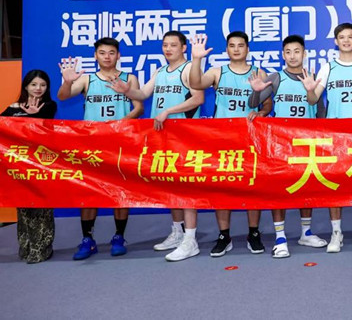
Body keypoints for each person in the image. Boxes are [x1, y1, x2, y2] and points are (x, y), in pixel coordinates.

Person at [111, 30, 205, 261]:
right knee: (171, 185)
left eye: (173, 45)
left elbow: (198, 98)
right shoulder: (161, 71)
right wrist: (127, 90)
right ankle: (177, 232)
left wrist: (168, 111)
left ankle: (190, 239)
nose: (168, 49)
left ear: (183, 48)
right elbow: (143, 93)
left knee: (186, 187)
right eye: (165, 45)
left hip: (184, 136)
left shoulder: (188, 70)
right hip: (162, 136)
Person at [57, 38, 144, 259]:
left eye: (111, 52)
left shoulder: (129, 78)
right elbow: (63, 96)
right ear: (95, 55)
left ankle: (119, 236)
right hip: (92, 145)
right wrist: (67, 81)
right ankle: (87, 239)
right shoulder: (87, 79)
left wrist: (119, 124)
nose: (107, 56)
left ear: (118, 55)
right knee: (90, 192)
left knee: (120, 191)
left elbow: (139, 108)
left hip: (120, 143)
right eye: (102, 52)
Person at [247, 34, 329, 257]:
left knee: (306, 187)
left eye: (297, 51)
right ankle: (280, 237)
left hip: (306, 142)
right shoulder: (276, 78)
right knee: (279, 190)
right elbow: (253, 103)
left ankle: (306, 232)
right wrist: (256, 90)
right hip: (281, 143)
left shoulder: (312, 78)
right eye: (288, 52)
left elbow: (320, 111)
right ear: (283, 55)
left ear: (304, 54)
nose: (293, 56)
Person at [188, 32, 269, 257]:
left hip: (250, 138)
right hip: (222, 139)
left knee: (252, 186)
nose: (236, 49)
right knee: (222, 186)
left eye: (240, 45)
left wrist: (260, 112)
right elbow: (195, 83)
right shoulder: (217, 72)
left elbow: (267, 103)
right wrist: (196, 59)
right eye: (232, 45)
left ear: (247, 49)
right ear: (226, 49)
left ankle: (253, 232)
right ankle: (224, 235)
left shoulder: (258, 72)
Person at [304, 23, 352, 253]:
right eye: (342, 37)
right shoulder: (328, 67)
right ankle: (336, 232)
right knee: (335, 183)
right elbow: (313, 99)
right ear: (336, 41)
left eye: (350, 37)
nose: (346, 40)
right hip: (335, 134)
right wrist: (309, 89)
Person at [2, 70, 58, 264]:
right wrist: (19, 113)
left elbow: (44, 124)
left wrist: (33, 116)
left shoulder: (49, 106)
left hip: (42, 163)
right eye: (34, 84)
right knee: (23, 205)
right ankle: (25, 246)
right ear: (26, 86)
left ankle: (41, 248)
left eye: (42, 85)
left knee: (41, 206)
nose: (38, 88)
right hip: (19, 164)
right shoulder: (12, 108)